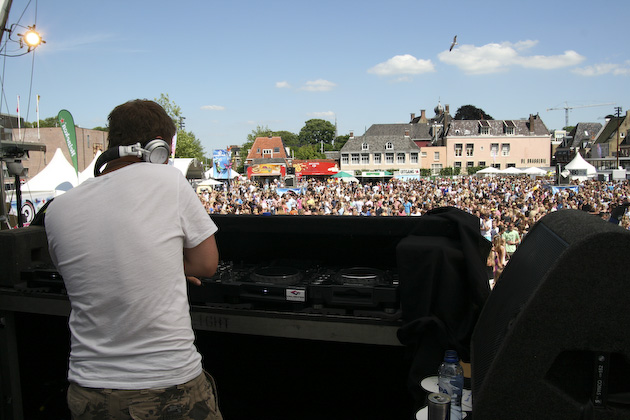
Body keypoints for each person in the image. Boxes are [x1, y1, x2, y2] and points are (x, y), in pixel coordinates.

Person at [45, 99, 222, 420]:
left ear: (112, 142)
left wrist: (153, 262)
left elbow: (86, 271)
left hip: (88, 390)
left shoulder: (58, 209)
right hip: (166, 385)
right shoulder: (168, 181)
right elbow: (205, 264)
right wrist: (167, 264)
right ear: (161, 149)